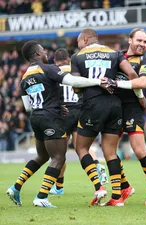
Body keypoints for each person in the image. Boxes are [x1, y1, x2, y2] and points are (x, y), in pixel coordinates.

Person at [6, 40, 108, 208]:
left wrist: (50, 102)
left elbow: (27, 106)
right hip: (51, 119)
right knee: (58, 158)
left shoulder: (24, 77)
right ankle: (41, 196)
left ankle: (16, 187)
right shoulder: (48, 69)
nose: (46, 53)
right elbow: (74, 82)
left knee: (42, 156)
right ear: (37, 54)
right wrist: (98, 82)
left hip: (36, 118)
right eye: (43, 50)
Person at [71, 28, 141, 207]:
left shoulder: (77, 57)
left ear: (85, 39)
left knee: (81, 148)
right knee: (111, 152)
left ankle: (99, 187)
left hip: (92, 105)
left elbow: (77, 86)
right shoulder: (115, 53)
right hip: (114, 105)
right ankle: (117, 197)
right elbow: (133, 76)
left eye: (79, 41)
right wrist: (140, 96)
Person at [49, 48, 108, 195]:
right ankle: (96, 164)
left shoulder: (53, 71)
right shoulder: (77, 69)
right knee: (82, 148)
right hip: (80, 110)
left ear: (55, 61)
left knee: (60, 152)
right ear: (68, 59)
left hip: (64, 112)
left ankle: (59, 187)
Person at [114, 28, 146, 206]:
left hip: (133, 109)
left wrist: (117, 83)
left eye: (145, 42)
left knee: (139, 151)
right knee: (109, 151)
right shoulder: (117, 57)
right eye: (139, 40)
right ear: (129, 40)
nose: (142, 44)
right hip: (115, 109)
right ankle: (125, 186)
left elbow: (142, 82)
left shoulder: (144, 60)